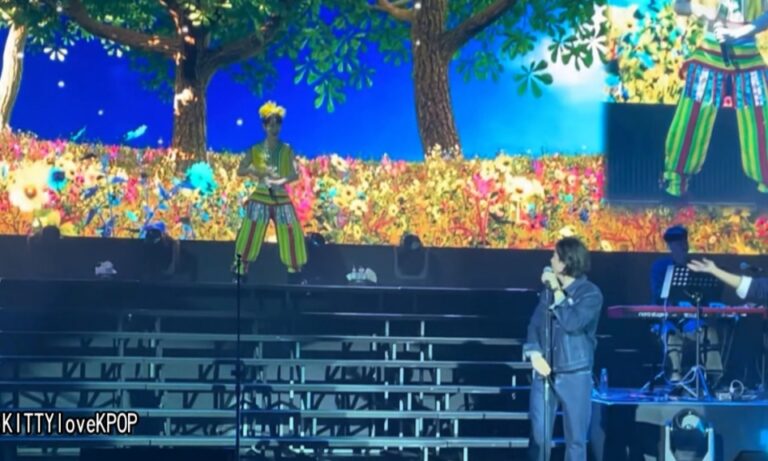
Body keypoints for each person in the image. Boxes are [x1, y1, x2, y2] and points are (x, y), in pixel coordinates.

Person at [663, 0, 768, 200]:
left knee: (761, 122)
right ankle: (674, 185)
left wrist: (739, 33)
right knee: (691, 117)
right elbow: (679, 5)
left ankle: (765, 191)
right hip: (708, 54)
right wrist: (700, 10)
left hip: (748, 57)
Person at [523, 237, 604, 461]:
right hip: (545, 372)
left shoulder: (590, 293)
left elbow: (572, 322)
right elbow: (535, 324)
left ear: (566, 262)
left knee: (576, 440)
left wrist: (557, 291)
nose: (550, 260)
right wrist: (534, 353)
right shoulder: (547, 292)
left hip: (575, 372)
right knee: (539, 437)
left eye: (555, 256)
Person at [232, 101, 307, 278]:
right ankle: (240, 270)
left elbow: (294, 174)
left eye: (277, 124)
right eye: (271, 124)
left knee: (291, 231)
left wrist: (280, 180)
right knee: (250, 231)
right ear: (264, 127)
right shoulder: (255, 149)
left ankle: (295, 273)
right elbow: (241, 170)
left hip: (280, 196)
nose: (274, 128)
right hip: (261, 195)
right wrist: (255, 171)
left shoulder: (287, 149)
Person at [650, 225, 722, 382]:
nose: (682, 247)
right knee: (670, 334)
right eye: (677, 244)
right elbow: (658, 296)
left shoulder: (695, 266)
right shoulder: (660, 267)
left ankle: (714, 377)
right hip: (670, 319)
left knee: (709, 333)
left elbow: (705, 297)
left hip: (691, 321)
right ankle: (675, 377)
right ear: (670, 247)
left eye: (684, 243)